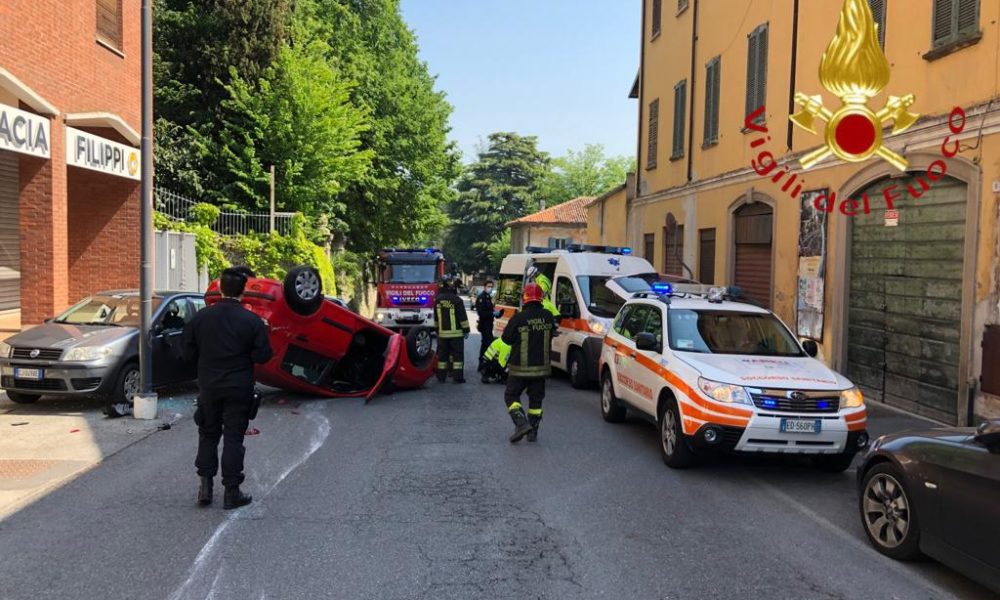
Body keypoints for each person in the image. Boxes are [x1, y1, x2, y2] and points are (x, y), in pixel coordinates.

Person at [183, 267, 272, 509]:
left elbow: (186, 352)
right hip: (239, 386)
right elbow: (264, 356)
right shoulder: (252, 321)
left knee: (208, 434)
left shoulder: (200, 319)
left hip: (209, 385)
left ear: (220, 288)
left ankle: (205, 487)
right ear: (243, 291)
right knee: (233, 437)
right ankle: (232, 492)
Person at [500, 282, 557, 443]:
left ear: (524, 299)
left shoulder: (519, 318)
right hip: (541, 369)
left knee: (511, 395)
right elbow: (554, 332)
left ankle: (521, 423)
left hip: (520, 368)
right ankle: (533, 432)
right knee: (536, 402)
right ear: (541, 298)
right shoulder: (548, 316)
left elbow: (506, 339)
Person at [434, 277, 470, 383]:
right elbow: (462, 317)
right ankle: (457, 378)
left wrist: (437, 330)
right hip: (456, 335)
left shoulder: (438, 299)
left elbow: (436, 318)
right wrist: (466, 330)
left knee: (442, 357)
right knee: (457, 357)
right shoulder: (457, 300)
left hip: (442, 335)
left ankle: (441, 377)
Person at [473, 280, 496, 360]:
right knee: (488, 344)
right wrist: (492, 314)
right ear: (485, 287)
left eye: (491, 287)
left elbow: (489, 310)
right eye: (488, 286)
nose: (490, 288)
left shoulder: (488, 297)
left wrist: (496, 314)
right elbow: (481, 313)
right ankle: (484, 361)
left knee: (485, 344)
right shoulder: (481, 297)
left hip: (489, 324)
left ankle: (482, 362)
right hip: (484, 324)